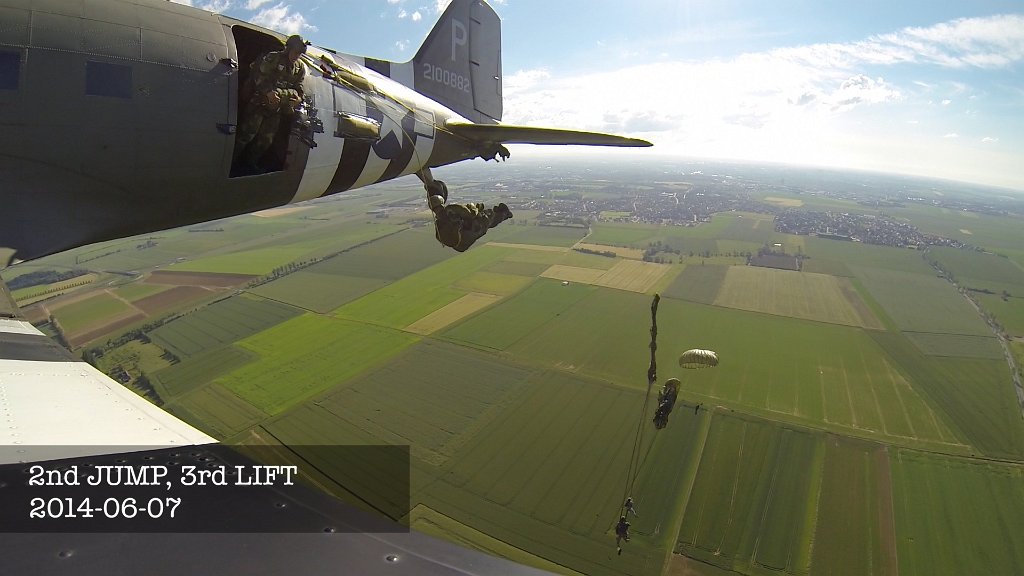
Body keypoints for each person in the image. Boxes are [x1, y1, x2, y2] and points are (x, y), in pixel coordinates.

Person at [233, 34, 308, 173]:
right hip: (259, 104)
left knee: (266, 140)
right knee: (246, 135)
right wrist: (268, 92)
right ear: (288, 49)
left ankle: (249, 163)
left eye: (299, 54)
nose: (296, 56)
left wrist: (298, 98)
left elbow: (300, 87)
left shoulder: (299, 68)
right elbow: (259, 76)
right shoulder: (273, 58)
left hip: (276, 109)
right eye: (295, 52)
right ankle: (232, 161)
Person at [428, 195, 512, 252]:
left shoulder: (438, 223)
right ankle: (505, 213)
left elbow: (442, 238)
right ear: (442, 203)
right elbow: (470, 215)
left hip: (460, 246)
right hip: (466, 237)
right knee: (486, 219)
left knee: (484, 222)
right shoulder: (451, 209)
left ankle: (499, 213)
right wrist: (474, 208)